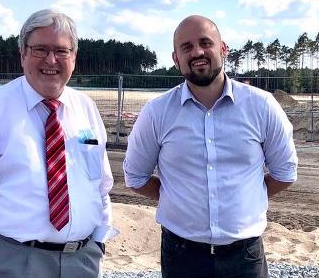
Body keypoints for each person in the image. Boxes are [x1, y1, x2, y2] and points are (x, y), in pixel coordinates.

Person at [0, 9, 117, 278]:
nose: (51, 60)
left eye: (61, 51)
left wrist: (99, 243)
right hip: (15, 262)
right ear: (22, 54)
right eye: (40, 50)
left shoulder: (86, 108)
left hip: (82, 262)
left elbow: (101, 187)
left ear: (74, 57)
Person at [123, 15, 298, 278]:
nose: (197, 52)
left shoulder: (262, 106)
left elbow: (284, 174)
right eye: (186, 47)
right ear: (175, 58)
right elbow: (135, 177)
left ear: (223, 48)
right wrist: (179, 197)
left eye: (206, 43)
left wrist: (245, 197)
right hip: (182, 257)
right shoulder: (157, 113)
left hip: (244, 258)